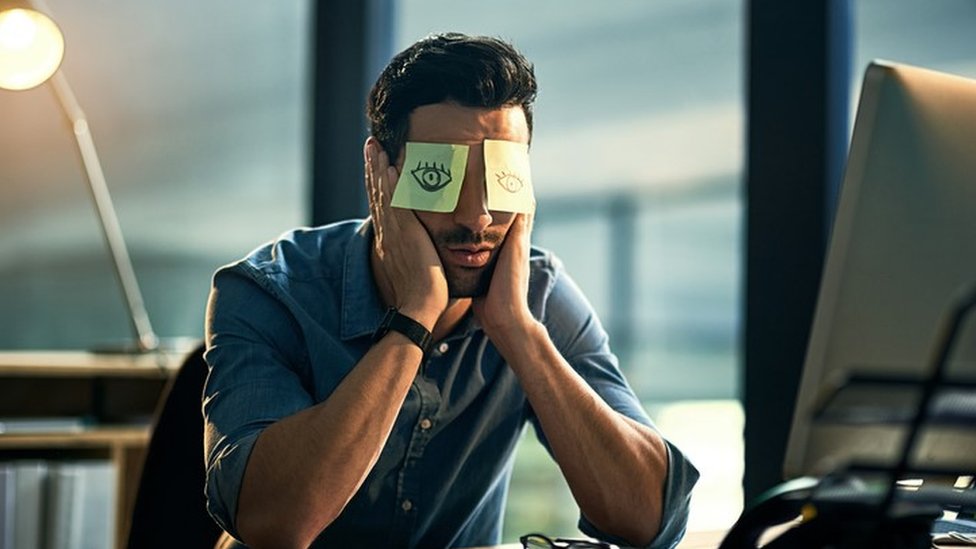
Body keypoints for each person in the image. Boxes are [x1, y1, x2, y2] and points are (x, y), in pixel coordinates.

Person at [203, 32, 698, 549]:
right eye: (440, 178)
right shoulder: (269, 292)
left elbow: (650, 522)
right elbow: (272, 524)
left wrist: (520, 334)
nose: (476, 217)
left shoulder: (540, 294)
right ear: (380, 172)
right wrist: (413, 319)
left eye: (501, 180)